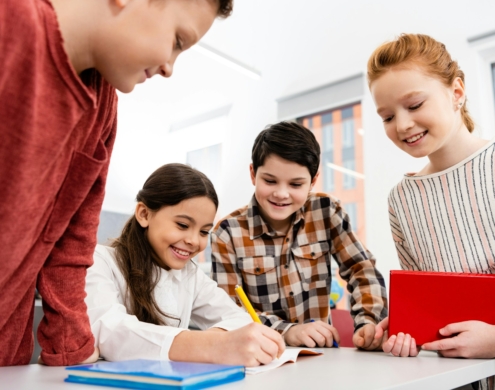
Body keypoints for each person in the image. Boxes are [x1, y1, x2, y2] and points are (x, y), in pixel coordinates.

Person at [0, 0, 233, 366]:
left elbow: (70, 248)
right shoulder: (11, 16)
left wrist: (70, 353)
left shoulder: (103, 107)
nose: (170, 66)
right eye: (177, 41)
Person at [368, 33, 495, 367]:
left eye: (414, 105)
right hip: (455, 376)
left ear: (456, 92)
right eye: (388, 116)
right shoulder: (402, 199)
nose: (403, 124)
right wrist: (404, 329)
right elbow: (426, 301)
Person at [211, 121, 388, 350]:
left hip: (322, 356)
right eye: (270, 181)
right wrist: (289, 332)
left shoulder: (325, 211)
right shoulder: (227, 233)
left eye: (296, 184)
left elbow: (361, 269)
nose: (281, 193)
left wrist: (368, 322)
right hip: (261, 357)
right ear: (253, 174)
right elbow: (230, 312)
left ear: (312, 181)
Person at [85, 164, 285, 366]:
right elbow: (108, 331)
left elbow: (240, 320)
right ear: (144, 214)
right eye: (182, 225)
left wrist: (217, 339)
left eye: (204, 232)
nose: (194, 241)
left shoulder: (190, 274)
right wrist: (210, 344)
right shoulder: (98, 261)